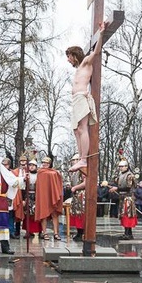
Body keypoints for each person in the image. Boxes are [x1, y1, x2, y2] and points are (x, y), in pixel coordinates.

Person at [66, 21, 107, 172]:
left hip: (82, 97)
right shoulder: (78, 68)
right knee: (76, 130)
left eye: (69, 56)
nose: (68, 59)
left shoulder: (86, 63)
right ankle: (81, 157)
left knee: (82, 128)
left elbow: (96, 52)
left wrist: (101, 34)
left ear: (74, 55)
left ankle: (84, 159)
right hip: (76, 100)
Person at [35, 157, 64, 240]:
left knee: (54, 214)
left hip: (52, 196)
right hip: (43, 196)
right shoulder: (40, 172)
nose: (45, 164)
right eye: (43, 162)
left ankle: (56, 233)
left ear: (49, 164)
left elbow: (58, 183)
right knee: (43, 215)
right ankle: (44, 233)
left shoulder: (54, 172)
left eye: (46, 163)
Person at [112, 159, 137, 239]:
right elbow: (115, 180)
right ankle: (127, 233)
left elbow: (127, 187)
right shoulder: (121, 175)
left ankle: (128, 233)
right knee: (123, 215)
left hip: (128, 198)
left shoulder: (129, 175)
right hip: (122, 198)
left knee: (127, 215)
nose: (120, 168)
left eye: (122, 166)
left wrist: (117, 189)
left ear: (126, 166)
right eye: (120, 166)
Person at [68, 154, 87, 241]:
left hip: (81, 194)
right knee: (76, 214)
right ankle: (79, 232)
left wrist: (75, 187)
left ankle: (82, 233)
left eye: (75, 160)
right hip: (76, 195)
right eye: (72, 160)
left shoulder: (83, 169)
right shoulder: (74, 171)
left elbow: (85, 183)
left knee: (81, 214)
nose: (73, 162)